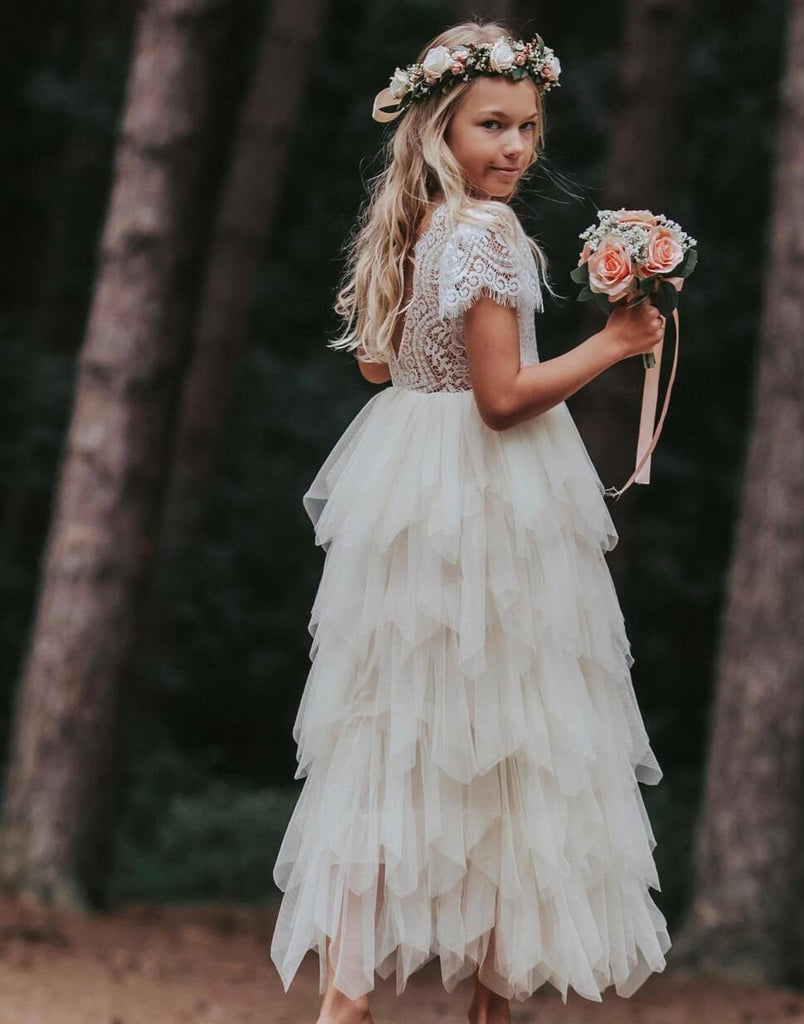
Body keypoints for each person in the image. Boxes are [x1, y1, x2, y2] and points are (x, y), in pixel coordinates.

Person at [269, 21, 672, 1024]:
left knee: (396, 736)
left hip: (407, 482)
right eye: (492, 124)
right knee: (510, 743)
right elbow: (500, 398)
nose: (516, 148)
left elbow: (378, 365)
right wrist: (615, 342)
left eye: (528, 127)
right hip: (488, 497)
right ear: (440, 127)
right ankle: (488, 1008)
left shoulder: (411, 224)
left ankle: (347, 996)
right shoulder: (487, 235)